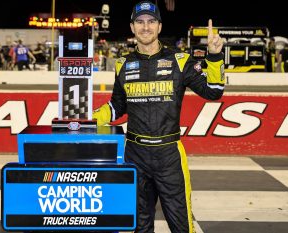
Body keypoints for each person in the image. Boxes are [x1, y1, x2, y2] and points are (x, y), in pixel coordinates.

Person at [93, 1, 225, 233]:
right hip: (134, 154)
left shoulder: (180, 60)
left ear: (160, 27)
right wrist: (91, 119)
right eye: (140, 22)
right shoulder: (123, 64)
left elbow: (213, 91)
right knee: (140, 225)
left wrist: (214, 57)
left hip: (169, 155)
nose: (146, 27)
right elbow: (117, 106)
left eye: (151, 22)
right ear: (132, 27)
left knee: (181, 225)